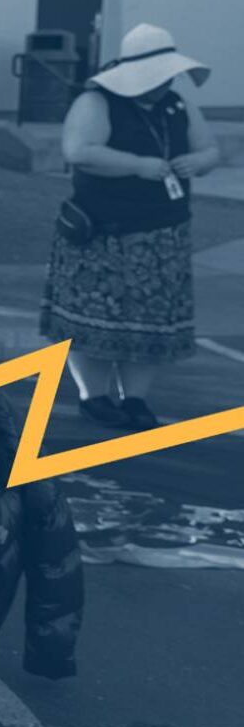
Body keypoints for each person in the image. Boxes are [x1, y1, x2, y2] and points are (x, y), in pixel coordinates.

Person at [43, 23, 219, 431]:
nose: (165, 84)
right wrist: (137, 166)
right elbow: (78, 150)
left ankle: (135, 397)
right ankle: (94, 396)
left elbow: (209, 149)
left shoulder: (176, 105)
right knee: (89, 319)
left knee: (151, 322)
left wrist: (199, 162)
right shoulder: (96, 102)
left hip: (163, 234)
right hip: (102, 232)